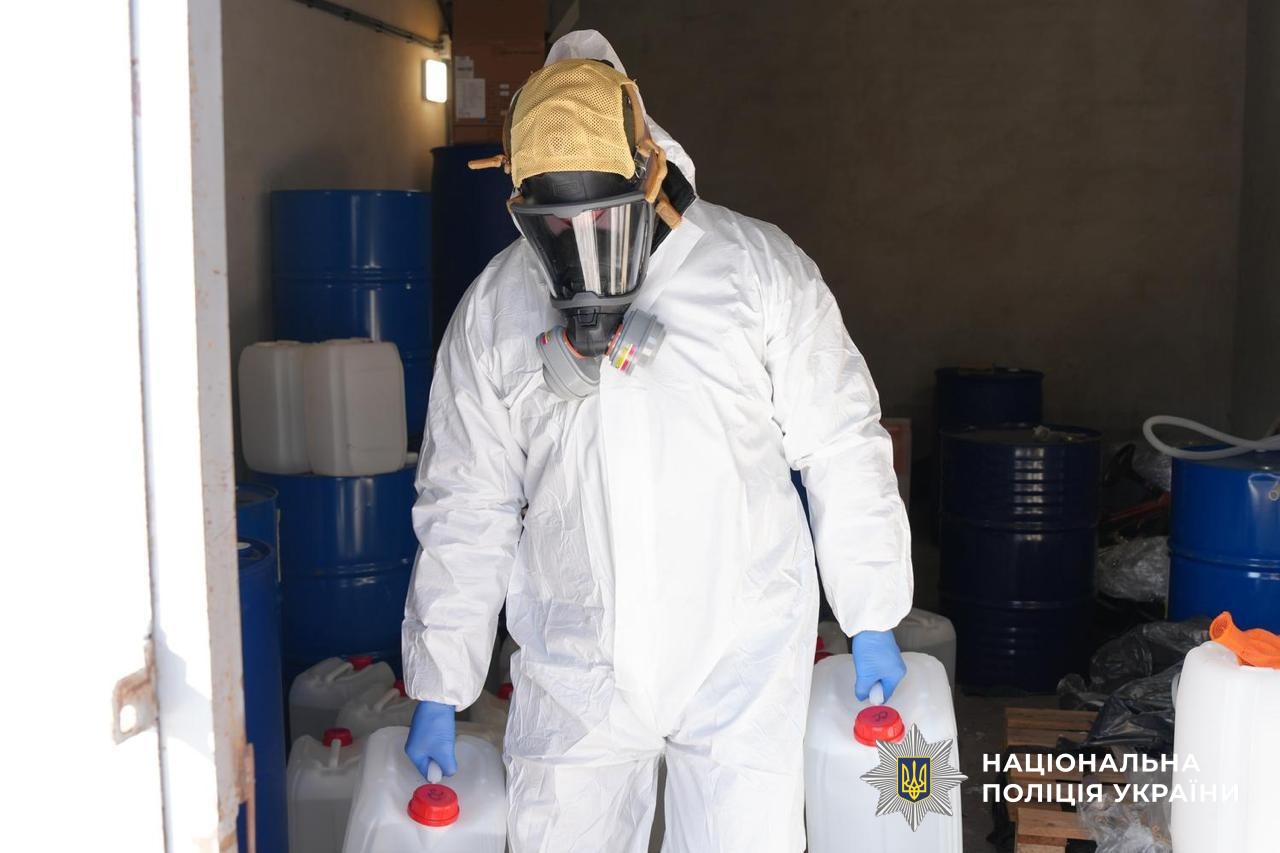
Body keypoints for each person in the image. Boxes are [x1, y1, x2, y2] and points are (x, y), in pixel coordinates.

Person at [401, 30, 913, 853]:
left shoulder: (754, 270)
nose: (580, 242)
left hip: (741, 648)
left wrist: (873, 607)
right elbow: (467, 498)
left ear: (649, 170)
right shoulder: (497, 309)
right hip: (577, 662)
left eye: (603, 215)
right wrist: (440, 675)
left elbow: (840, 441)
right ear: (519, 199)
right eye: (555, 223)